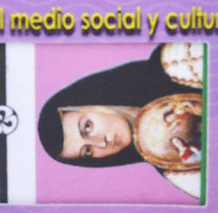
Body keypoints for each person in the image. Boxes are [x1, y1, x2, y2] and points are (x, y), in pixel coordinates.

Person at [37, 43, 203, 197]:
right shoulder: (179, 172)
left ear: (92, 101)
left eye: (87, 127)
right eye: (88, 151)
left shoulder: (175, 63)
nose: (101, 143)